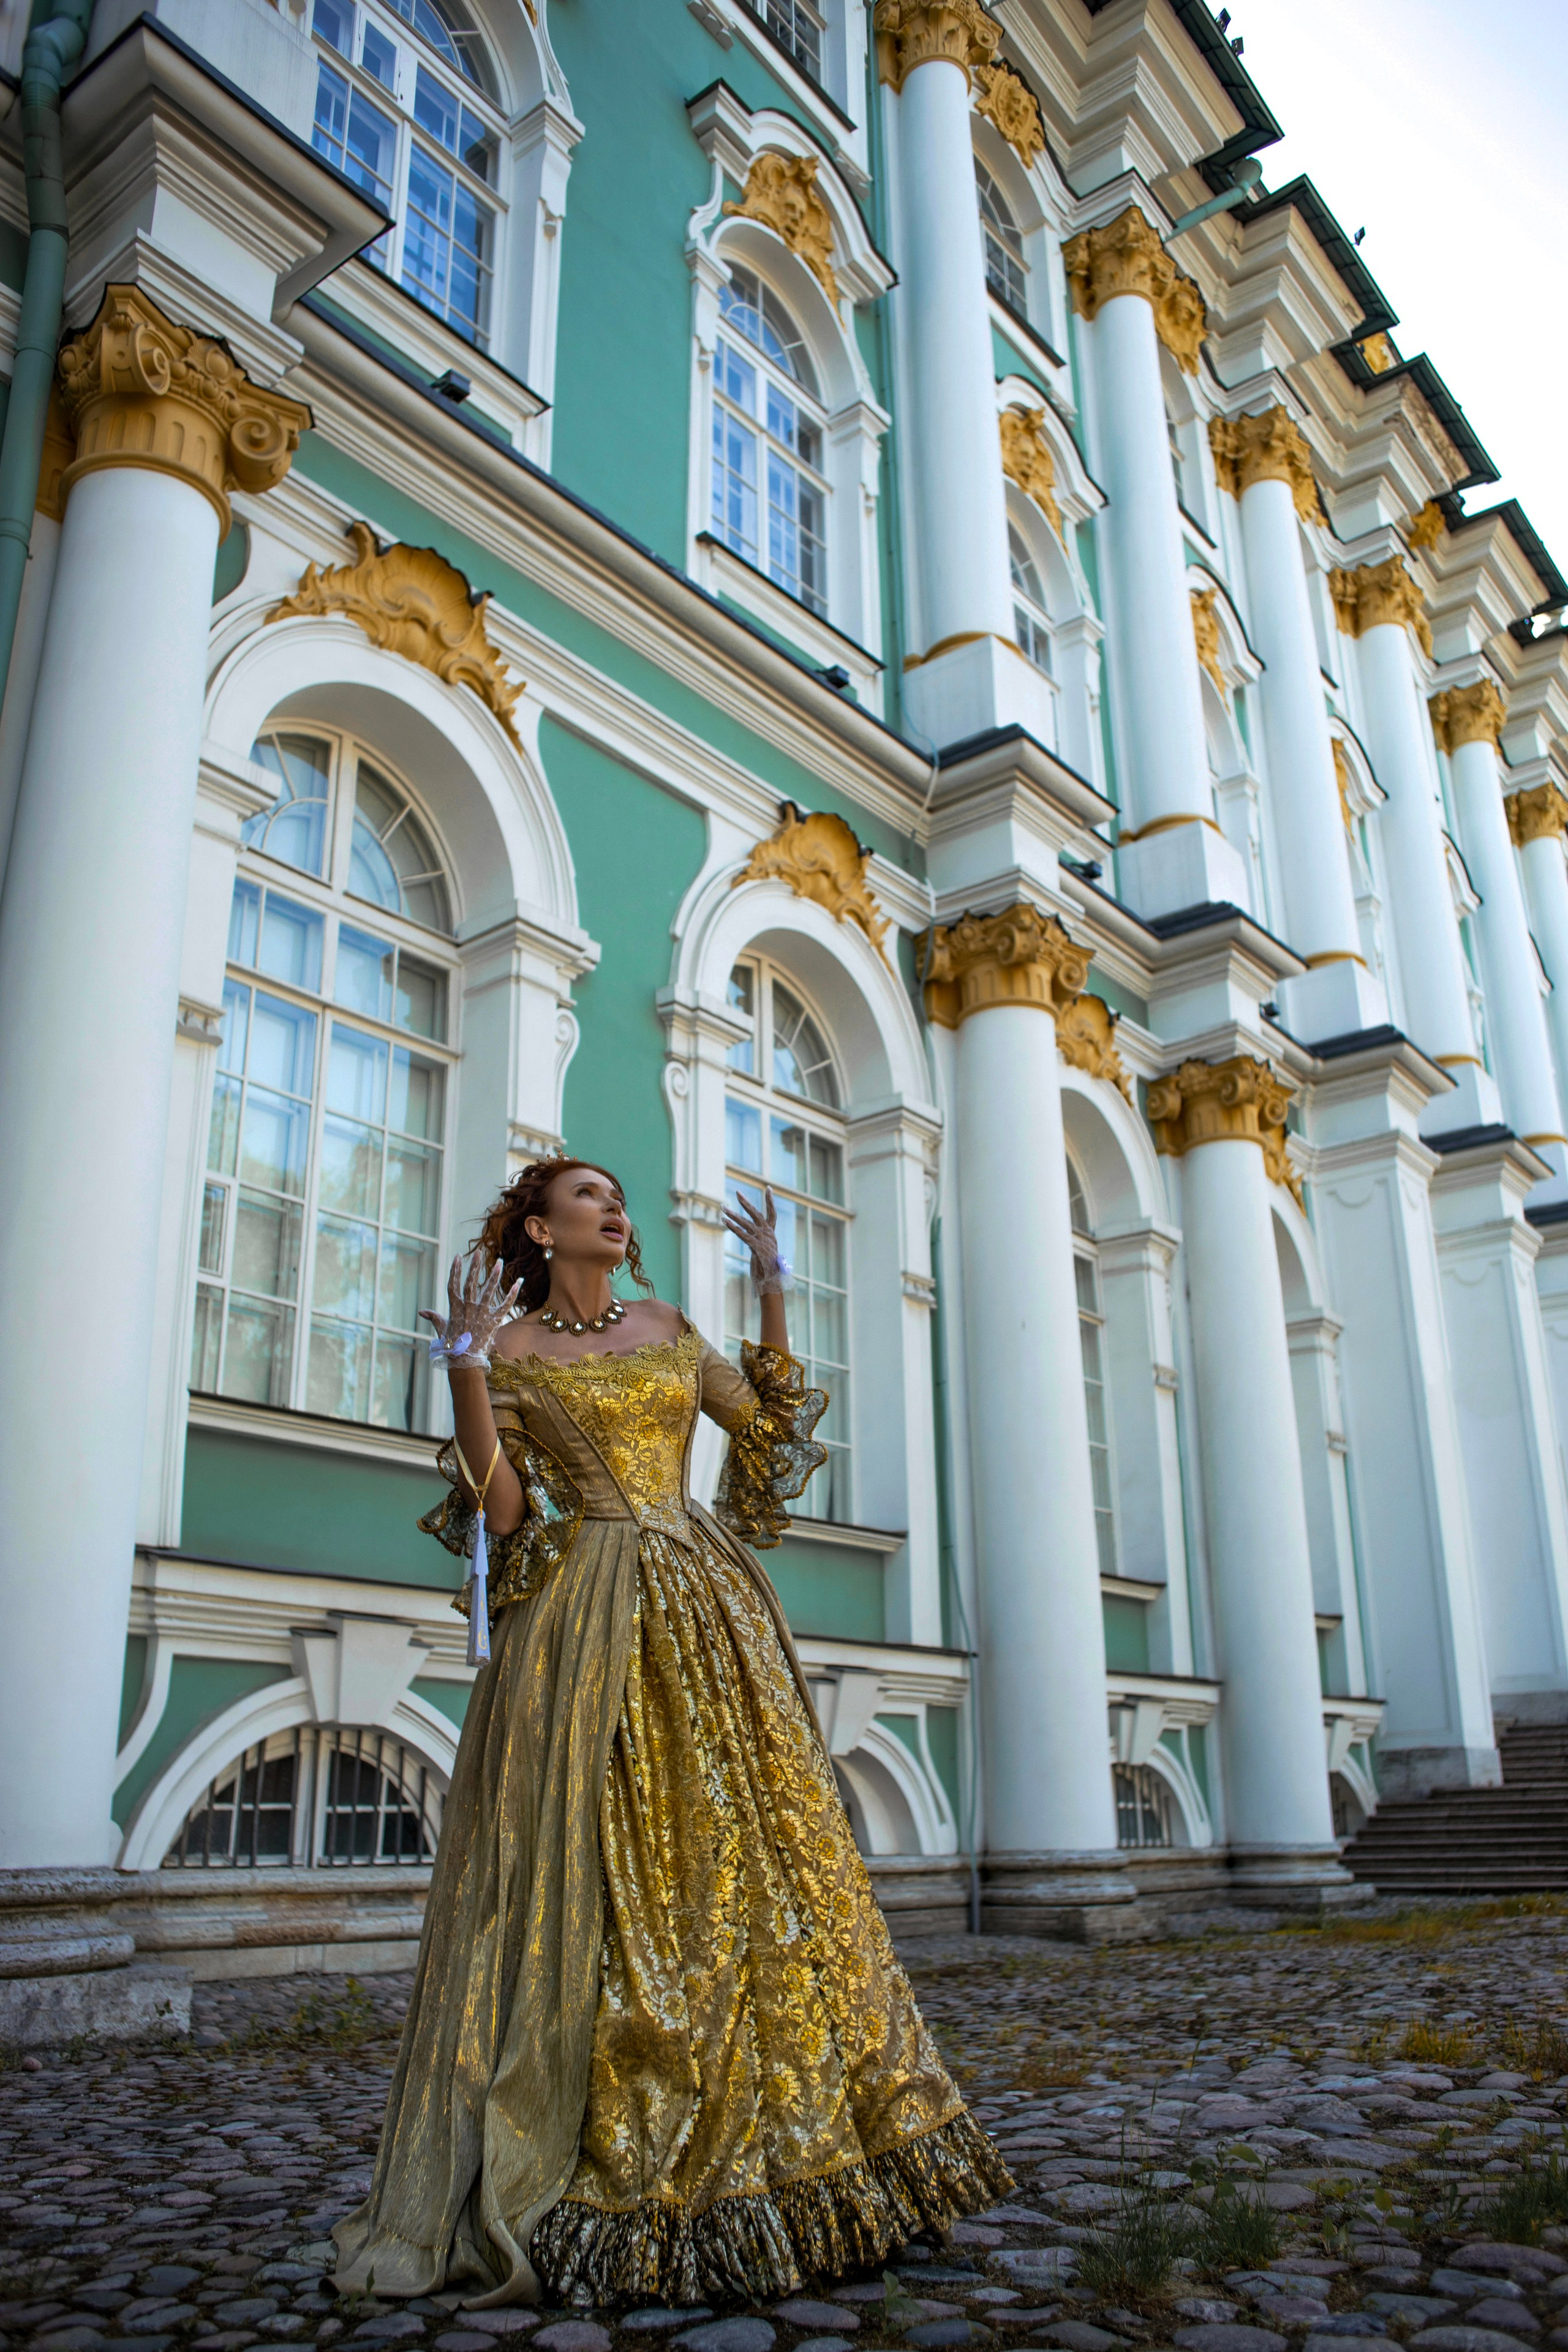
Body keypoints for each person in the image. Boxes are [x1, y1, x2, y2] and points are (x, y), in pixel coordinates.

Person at [333, 1155, 1009, 2310]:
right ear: (541, 1231)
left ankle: (817, 2156)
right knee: (598, 1871)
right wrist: (463, 1370)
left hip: (705, 1600)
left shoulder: (667, 1324)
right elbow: (504, 1514)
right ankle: (611, 2149)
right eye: (587, 1196)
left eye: (617, 1196)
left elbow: (764, 1435)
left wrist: (774, 1294)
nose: (613, 1208)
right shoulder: (512, 1350)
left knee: (754, 1866)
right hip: (581, 1622)